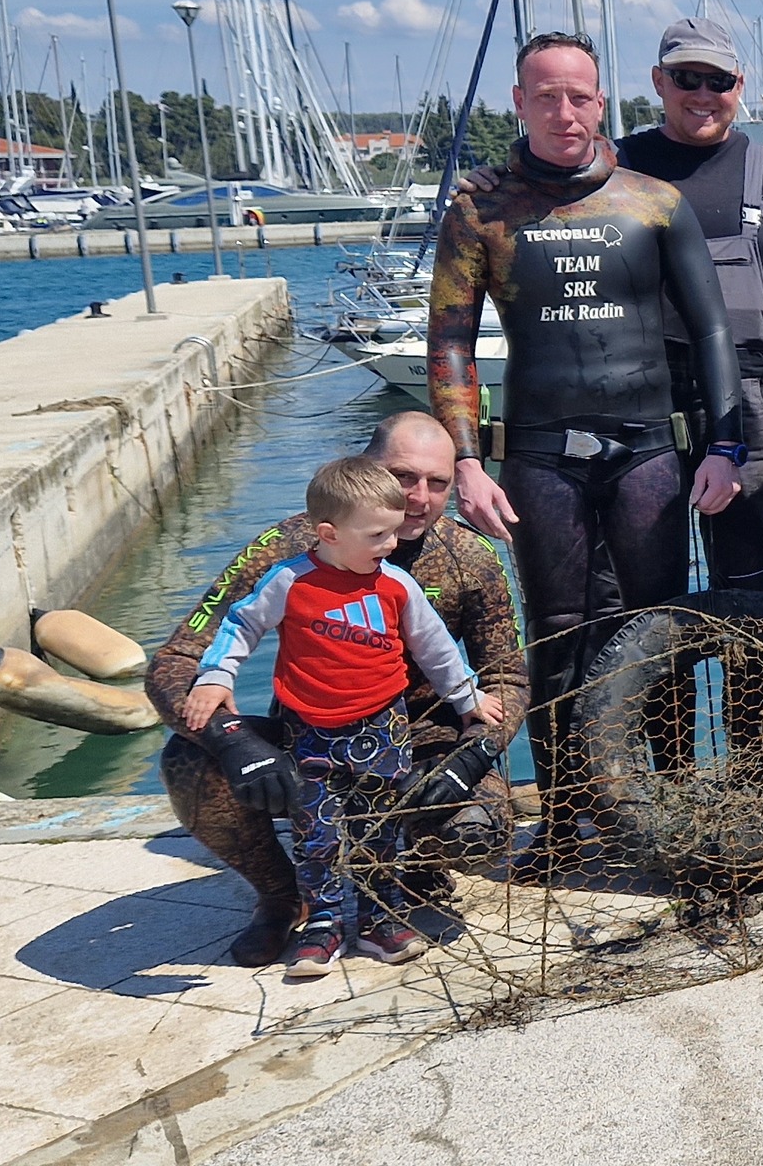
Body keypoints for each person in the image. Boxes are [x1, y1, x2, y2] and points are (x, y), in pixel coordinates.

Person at [459, 17, 763, 595]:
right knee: (632, 589)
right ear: (658, 81)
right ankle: (647, 685)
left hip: (751, 394)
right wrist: (492, 178)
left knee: (749, 579)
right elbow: (544, 165)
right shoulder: (614, 166)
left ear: (739, 86)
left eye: (718, 81)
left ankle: (749, 689)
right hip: (641, 400)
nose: (703, 95)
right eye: (686, 79)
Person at [425, 30, 748, 852]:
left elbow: (713, 330)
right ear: (520, 102)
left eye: (579, 96)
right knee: (559, 633)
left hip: (646, 450)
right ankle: (568, 820)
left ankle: (668, 805)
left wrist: (726, 445)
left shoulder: (650, 201)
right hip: (538, 455)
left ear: (602, 102)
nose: (563, 112)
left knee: (660, 630)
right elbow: (450, 340)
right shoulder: (480, 207)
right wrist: (467, 457)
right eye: (546, 96)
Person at [148, 411, 529, 968]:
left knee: (481, 826)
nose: (419, 498)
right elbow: (176, 660)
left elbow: (506, 680)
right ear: (365, 470)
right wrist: (236, 743)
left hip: (417, 742)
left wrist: (473, 757)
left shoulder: (471, 557)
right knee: (188, 761)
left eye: (438, 482)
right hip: (308, 737)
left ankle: (409, 881)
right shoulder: (283, 551)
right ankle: (284, 898)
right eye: (402, 477)